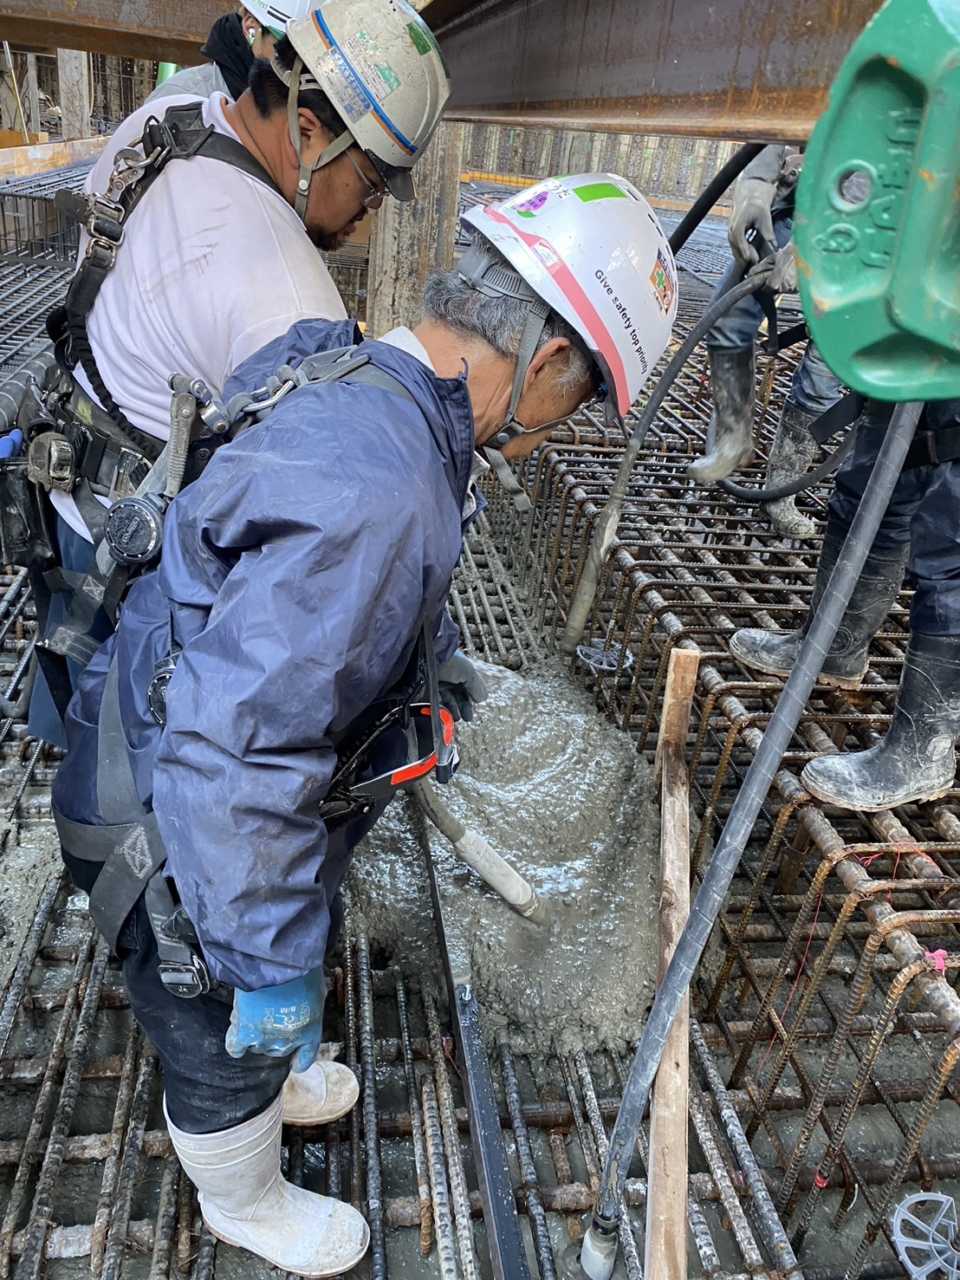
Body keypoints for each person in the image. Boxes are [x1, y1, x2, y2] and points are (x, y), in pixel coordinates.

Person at [49, 174, 676, 1276]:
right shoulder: (378, 490)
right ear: (544, 361)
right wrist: (264, 959)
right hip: (171, 816)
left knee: (257, 972)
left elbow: (288, 596)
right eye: (577, 402)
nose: (555, 431)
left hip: (157, 725)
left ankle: (266, 1068)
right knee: (215, 1019)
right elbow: (236, 748)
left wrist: (428, 662)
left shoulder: (357, 372)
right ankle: (242, 1195)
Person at [27, 0, 449, 744]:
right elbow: (317, 519)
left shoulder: (165, 122)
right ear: (310, 131)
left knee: (71, 701)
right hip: (132, 569)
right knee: (122, 767)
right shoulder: (285, 292)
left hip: (61, 493)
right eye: (373, 183)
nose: (372, 211)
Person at [730, 399, 960, 812]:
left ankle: (922, 754)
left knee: (951, 545)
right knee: (873, 485)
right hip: (925, 363)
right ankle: (834, 648)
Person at [689, 144, 845, 539]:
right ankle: (732, 441)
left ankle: (780, 493)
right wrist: (758, 184)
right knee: (727, 320)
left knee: (823, 374)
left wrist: (814, 240)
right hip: (798, 200)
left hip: (864, 237)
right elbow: (778, 127)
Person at [146, 3, 310, 106]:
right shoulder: (182, 98)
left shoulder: (289, 109)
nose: (296, 64)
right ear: (251, 28)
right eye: (286, 47)